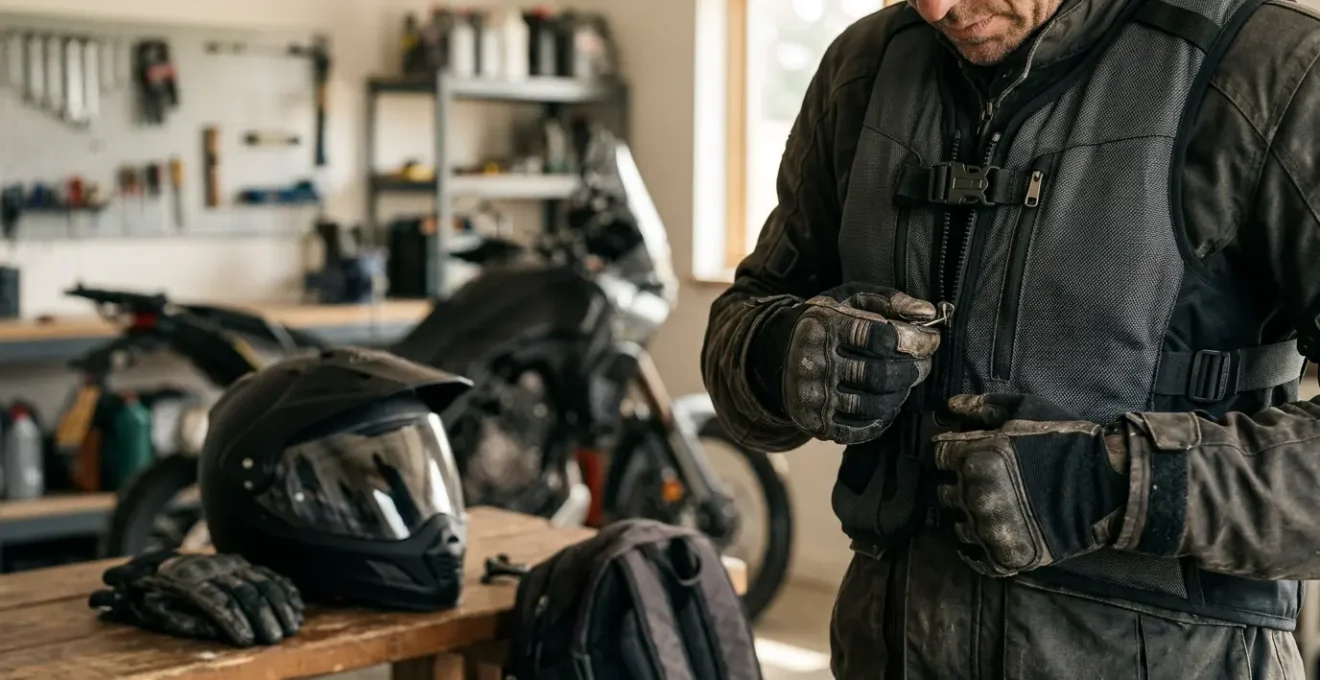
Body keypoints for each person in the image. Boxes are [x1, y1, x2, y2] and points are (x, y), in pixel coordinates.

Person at [701, 0, 1320, 675]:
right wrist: (779, 354)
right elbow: (745, 315)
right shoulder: (863, 69)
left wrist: (1116, 487)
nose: (938, 8)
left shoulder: (1268, 68)